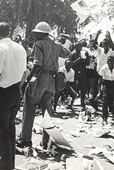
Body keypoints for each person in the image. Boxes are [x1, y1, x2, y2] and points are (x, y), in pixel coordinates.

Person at [17, 22, 70, 150]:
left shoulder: (38, 44)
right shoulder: (56, 44)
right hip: (52, 80)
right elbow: (68, 53)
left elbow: (37, 64)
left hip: (40, 78)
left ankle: (25, 139)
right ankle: (45, 142)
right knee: (47, 113)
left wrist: (28, 80)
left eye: (36, 33)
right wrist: (55, 44)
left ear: (41, 34)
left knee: (29, 108)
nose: (34, 35)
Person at [0, 22, 26, 170]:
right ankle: (9, 164)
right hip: (15, 90)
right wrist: (19, 89)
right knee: (10, 129)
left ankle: (5, 166)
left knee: (1, 131)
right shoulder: (20, 48)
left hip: (2, 91)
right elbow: (24, 73)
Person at [99, 56, 114, 125]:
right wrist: (100, 90)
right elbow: (99, 80)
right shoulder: (103, 68)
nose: (109, 62)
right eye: (108, 60)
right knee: (105, 100)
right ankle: (104, 118)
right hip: (106, 83)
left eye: (111, 61)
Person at [70, 41, 90, 111]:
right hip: (75, 72)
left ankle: (83, 105)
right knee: (74, 88)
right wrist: (78, 60)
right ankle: (71, 103)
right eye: (77, 46)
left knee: (83, 89)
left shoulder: (85, 53)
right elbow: (70, 64)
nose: (78, 47)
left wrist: (86, 59)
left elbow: (88, 63)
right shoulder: (72, 54)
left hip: (83, 72)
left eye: (80, 46)